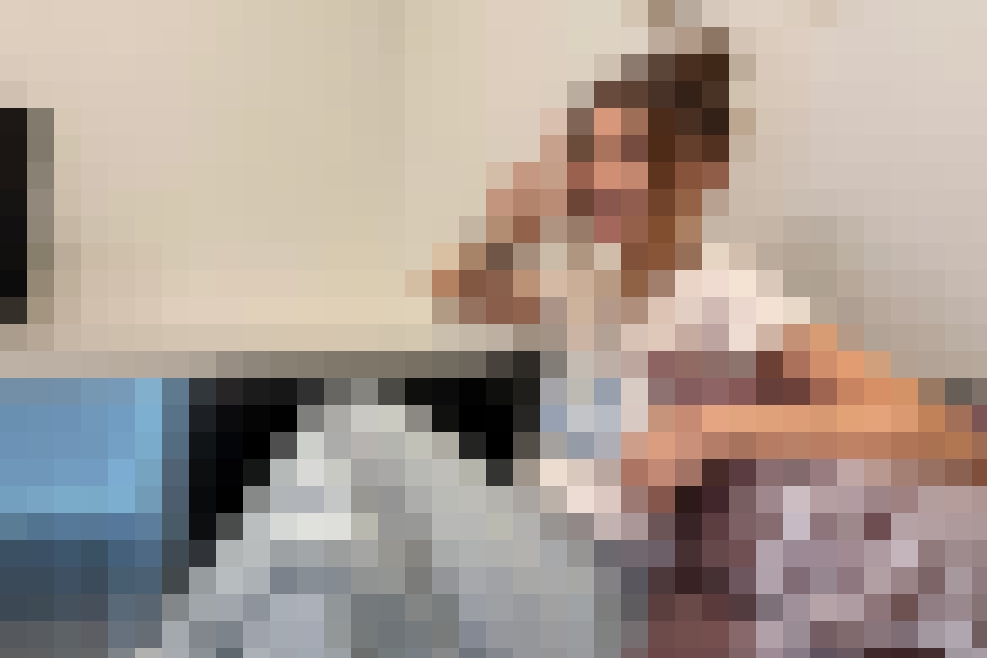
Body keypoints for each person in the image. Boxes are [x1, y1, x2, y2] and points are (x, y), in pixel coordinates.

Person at [430, 48, 984, 657]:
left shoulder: (724, 294)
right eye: (590, 155)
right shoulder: (586, 291)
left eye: (627, 155)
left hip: (609, 573)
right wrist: (534, 197)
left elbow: (950, 436)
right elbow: (462, 285)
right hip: (548, 531)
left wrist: (722, 425)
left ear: (690, 172)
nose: (601, 178)